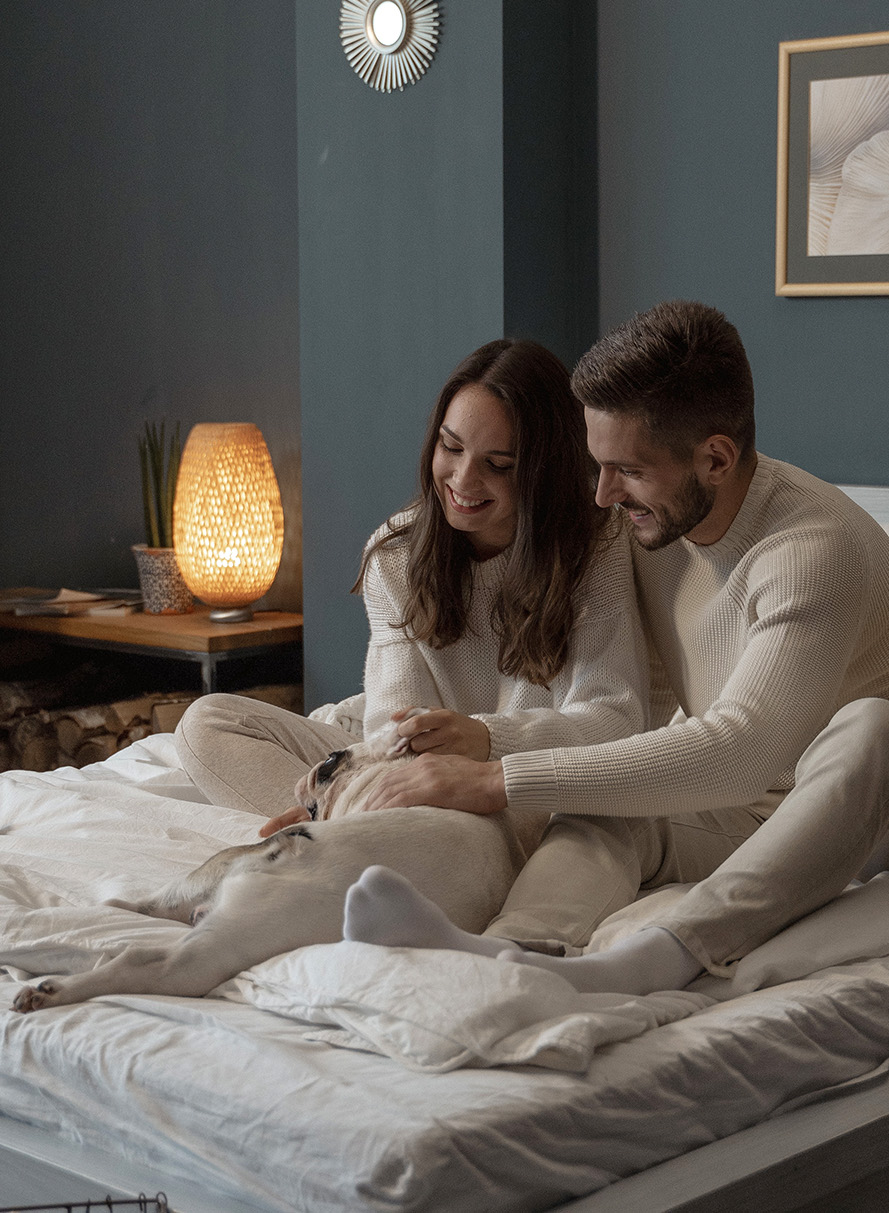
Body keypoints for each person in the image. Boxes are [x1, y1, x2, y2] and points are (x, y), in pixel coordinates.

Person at [342, 300, 889, 994]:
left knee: (875, 726)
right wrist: (355, 764)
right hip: (738, 813)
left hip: (855, 811)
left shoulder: (812, 549)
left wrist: (494, 776)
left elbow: (742, 752)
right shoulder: (648, 522)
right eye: (596, 465)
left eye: (625, 470)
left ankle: (651, 958)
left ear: (714, 457)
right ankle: (512, 952)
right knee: (605, 796)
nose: (601, 494)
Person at [174, 338, 649, 859]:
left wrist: (484, 741)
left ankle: (341, 844)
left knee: (508, 825)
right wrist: (367, 790)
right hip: (409, 777)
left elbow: (614, 723)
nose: (463, 480)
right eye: (451, 447)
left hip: (513, 782)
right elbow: (390, 724)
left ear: (544, 472)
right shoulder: (396, 553)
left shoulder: (596, 546)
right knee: (208, 723)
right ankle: (346, 837)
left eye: (499, 464)